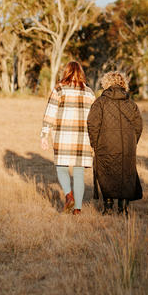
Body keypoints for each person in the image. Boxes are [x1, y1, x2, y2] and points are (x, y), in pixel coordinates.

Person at [40, 61, 95, 215]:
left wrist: (44, 134)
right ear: (81, 73)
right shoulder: (89, 92)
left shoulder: (59, 89)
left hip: (62, 136)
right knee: (78, 173)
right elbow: (94, 118)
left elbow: (50, 113)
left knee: (61, 168)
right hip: (82, 138)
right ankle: (77, 209)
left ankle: (68, 195)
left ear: (66, 72)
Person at [87, 71, 143, 215]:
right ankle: (123, 208)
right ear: (123, 83)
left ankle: (108, 207)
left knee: (106, 173)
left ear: (106, 83)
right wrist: (133, 141)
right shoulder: (131, 103)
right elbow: (138, 125)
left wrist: (95, 143)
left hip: (105, 145)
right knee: (126, 175)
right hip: (127, 146)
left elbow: (92, 124)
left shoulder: (100, 102)